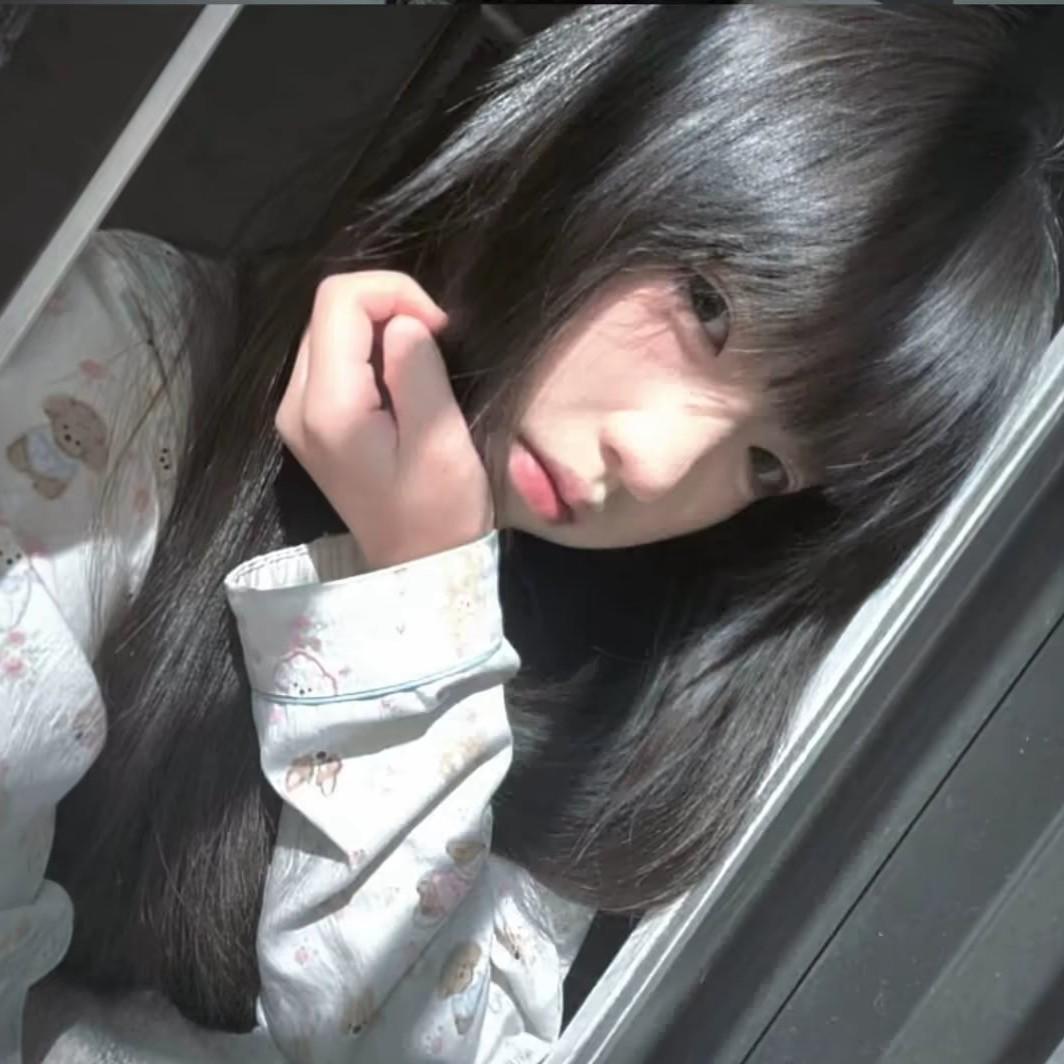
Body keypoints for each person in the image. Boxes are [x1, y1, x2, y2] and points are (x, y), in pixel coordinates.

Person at [2, 5, 1062, 1063]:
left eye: (767, 465)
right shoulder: (131, 364)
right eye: (707, 309)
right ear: (612, 138)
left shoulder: (589, 696)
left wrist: (421, 590)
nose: (660, 466)